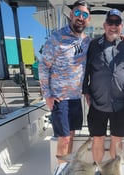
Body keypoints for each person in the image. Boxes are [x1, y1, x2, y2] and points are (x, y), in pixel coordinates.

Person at [83, 9, 124, 163]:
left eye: (117, 22)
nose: (113, 26)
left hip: (121, 103)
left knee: (116, 140)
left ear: (121, 26)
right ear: (104, 25)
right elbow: (85, 71)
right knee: (98, 139)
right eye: (110, 22)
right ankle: (98, 170)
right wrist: (86, 91)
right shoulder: (93, 45)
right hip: (97, 102)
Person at [38, 1, 91, 163]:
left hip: (76, 99)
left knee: (72, 135)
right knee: (64, 139)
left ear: (88, 19)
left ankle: (67, 170)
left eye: (84, 15)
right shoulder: (56, 38)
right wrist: (47, 95)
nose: (80, 18)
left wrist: (121, 36)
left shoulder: (87, 41)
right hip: (60, 99)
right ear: (71, 15)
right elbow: (43, 67)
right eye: (77, 13)